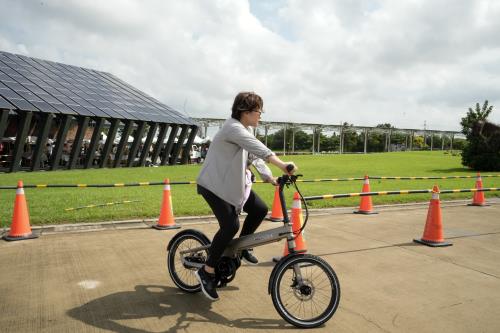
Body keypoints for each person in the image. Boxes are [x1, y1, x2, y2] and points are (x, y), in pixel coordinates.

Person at [195, 91, 297, 301]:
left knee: (260, 209)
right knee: (230, 225)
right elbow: (259, 149)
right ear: (245, 112)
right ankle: (207, 270)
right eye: (259, 111)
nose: (261, 115)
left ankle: (239, 250)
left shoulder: (246, 128)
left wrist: (270, 177)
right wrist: (282, 165)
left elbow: (254, 155)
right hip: (213, 185)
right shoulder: (233, 127)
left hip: (231, 184)